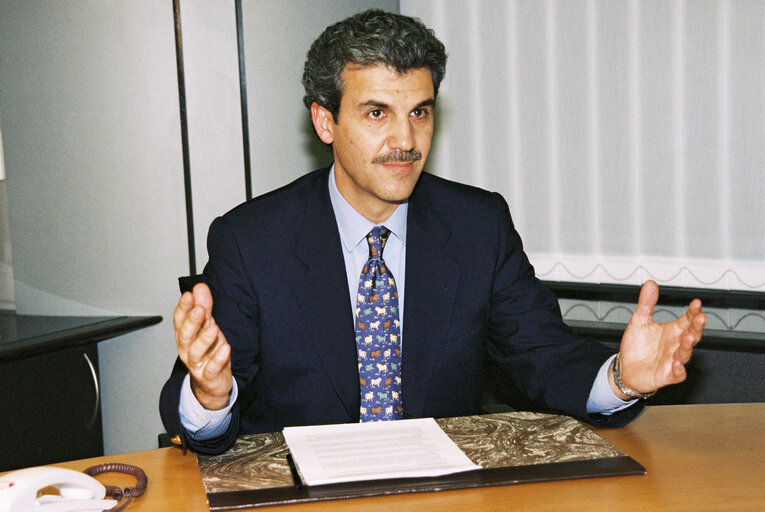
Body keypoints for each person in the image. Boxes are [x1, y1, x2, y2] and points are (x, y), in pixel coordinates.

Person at [159, 9, 706, 454]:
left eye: (420, 112)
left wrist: (623, 378)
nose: (406, 140)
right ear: (325, 121)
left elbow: (545, 358)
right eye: (377, 113)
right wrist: (210, 395)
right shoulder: (251, 240)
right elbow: (207, 407)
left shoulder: (477, 226)